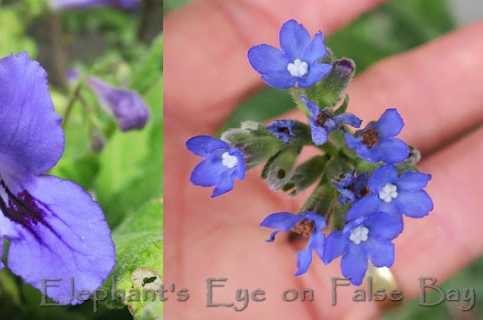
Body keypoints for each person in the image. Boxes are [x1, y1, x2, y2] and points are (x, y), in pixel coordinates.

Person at [163, 0, 483, 318]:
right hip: (368, 185)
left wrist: (359, 147)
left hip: (373, 170)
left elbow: (376, 162)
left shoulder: (359, 147)